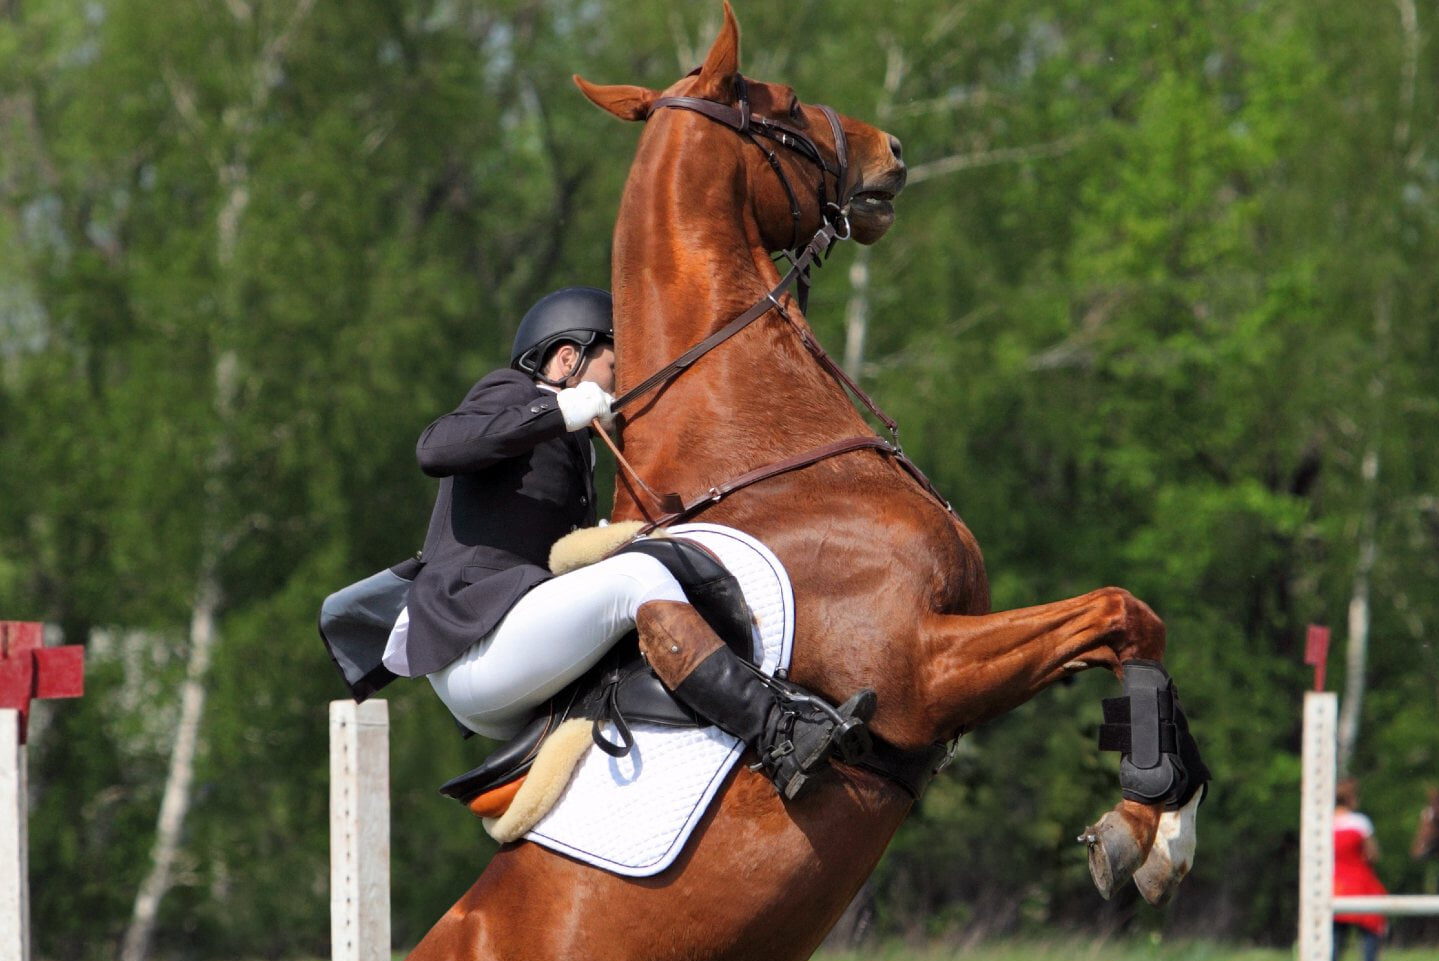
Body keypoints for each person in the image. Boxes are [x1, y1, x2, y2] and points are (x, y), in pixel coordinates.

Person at [381, 286, 874, 799]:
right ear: (567, 359)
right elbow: (435, 448)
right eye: (615, 366)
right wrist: (556, 411)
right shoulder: (513, 393)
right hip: (473, 642)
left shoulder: (575, 449)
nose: (623, 385)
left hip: (518, 652)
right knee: (638, 579)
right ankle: (777, 735)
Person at [1333, 778, 1386, 961]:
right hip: (1360, 884)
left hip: (1334, 885)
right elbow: (1373, 855)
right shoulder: (1360, 822)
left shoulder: (1323, 822)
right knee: (1371, 928)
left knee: (1334, 936)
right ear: (1352, 798)